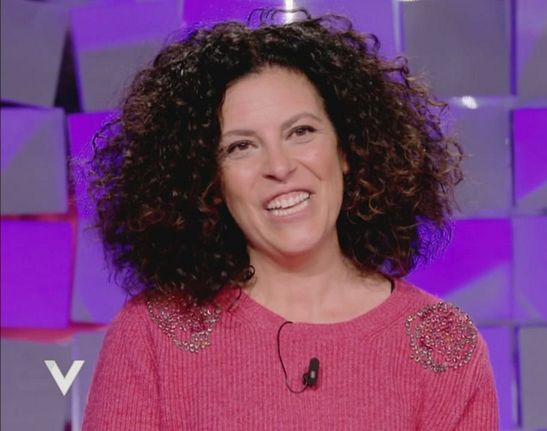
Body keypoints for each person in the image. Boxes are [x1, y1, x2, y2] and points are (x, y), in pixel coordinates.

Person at [82, 9, 499, 430]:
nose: (279, 167)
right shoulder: (149, 335)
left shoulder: (446, 348)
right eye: (241, 147)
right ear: (210, 180)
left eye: (300, 132)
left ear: (346, 149)